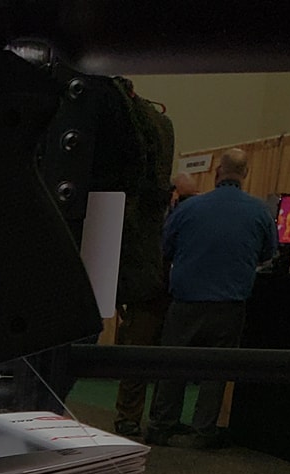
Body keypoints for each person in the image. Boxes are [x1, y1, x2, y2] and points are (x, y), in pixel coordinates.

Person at [145, 146, 275, 447]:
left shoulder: (189, 208)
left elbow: (166, 247)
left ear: (217, 172)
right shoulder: (259, 211)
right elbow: (267, 253)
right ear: (245, 173)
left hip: (186, 300)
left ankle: (162, 425)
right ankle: (203, 431)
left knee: (173, 364)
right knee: (216, 370)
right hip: (230, 304)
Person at [102, 80, 176, 439]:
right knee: (139, 349)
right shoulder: (160, 126)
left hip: (107, 247)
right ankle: (131, 418)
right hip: (144, 265)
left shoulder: (109, 113)